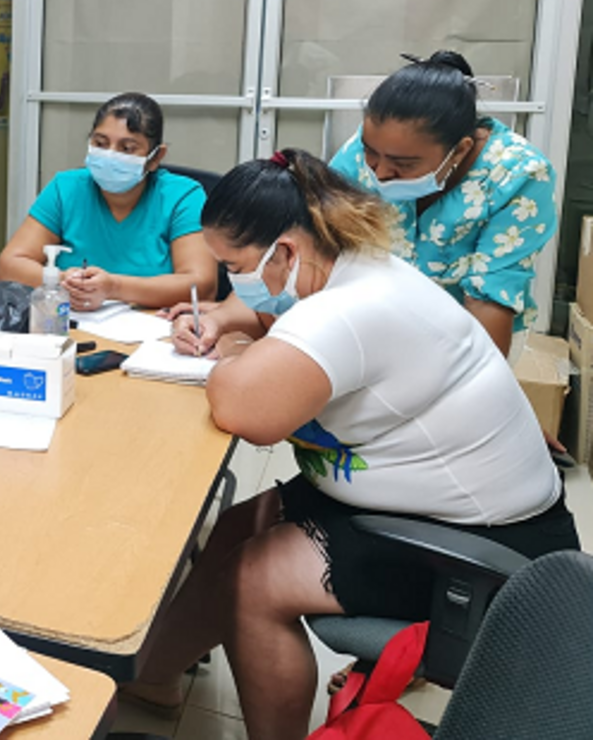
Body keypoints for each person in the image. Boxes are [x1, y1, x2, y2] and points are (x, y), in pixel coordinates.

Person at [129, 150, 578, 740]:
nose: (227, 281)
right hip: (415, 501)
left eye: (233, 266)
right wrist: (224, 322)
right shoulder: (354, 263)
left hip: (482, 545)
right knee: (236, 528)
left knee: (252, 579)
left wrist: (234, 354)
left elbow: (245, 409)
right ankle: (148, 676)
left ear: (285, 252)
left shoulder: (351, 310)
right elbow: (259, 314)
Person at [328, 51, 556, 360]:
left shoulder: (517, 174)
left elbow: (490, 298)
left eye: (402, 164)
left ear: (460, 150)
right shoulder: (365, 148)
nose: (379, 172)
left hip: (468, 333)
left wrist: (472, 387)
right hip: (375, 319)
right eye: (372, 154)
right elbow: (324, 237)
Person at [0, 93, 217, 309]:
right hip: (72, 325)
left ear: (156, 157)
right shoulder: (66, 188)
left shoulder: (182, 196)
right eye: (100, 143)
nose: (110, 155)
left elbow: (202, 285)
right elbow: (8, 267)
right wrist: (64, 280)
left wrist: (114, 287)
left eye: (127, 148)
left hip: (154, 333)